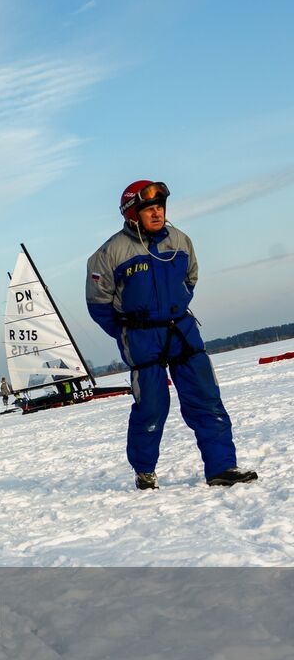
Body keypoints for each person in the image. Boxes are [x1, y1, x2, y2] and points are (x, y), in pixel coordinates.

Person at [86, 181, 258, 490]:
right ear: (132, 215)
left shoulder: (180, 241)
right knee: (152, 405)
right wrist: (127, 331)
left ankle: (222, 467)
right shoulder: (108, 254)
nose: (157, 213)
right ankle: (144, 470)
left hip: (181, 330)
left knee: (206, 398)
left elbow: (191, 278)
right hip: (140, 336)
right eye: (149, 209)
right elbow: (98, 304)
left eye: (160, 207)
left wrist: (175, 305)